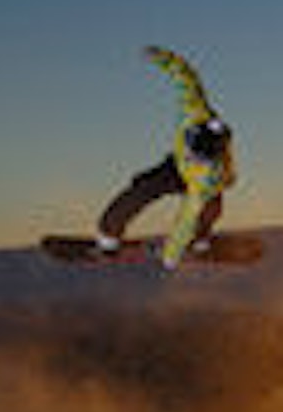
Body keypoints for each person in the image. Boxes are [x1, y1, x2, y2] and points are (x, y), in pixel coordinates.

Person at [96, 46, 236, 271]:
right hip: (176, 165)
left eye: (198, 157)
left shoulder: (208, 177)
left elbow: (186, 219)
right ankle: (109, 231)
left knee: (209, 209)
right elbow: (185, 75)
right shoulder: (195, 110)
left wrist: (171, 256)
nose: (194, 157)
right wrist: (162, 57)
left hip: (202, 183)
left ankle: (200, 239)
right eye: (193, 150)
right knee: (143, 187)